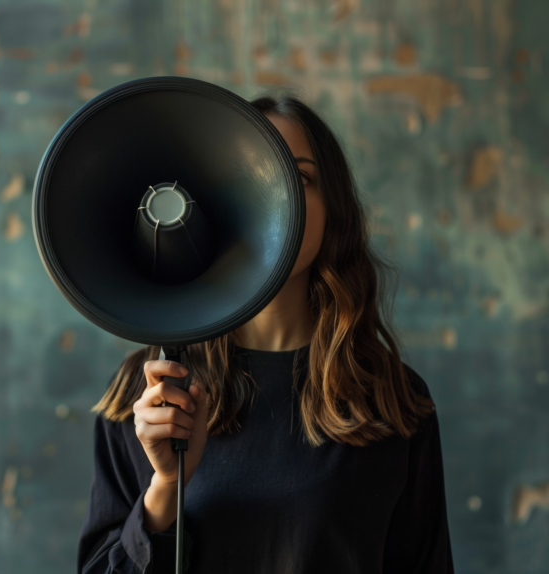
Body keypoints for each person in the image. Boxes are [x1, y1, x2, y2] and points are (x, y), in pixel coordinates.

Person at [77, 94, 454, 573]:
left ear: (333, 208)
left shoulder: (391, 398)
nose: (278, 197)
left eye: (298, 177)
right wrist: (165, 489)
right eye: (251, 175)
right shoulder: (151, 391)